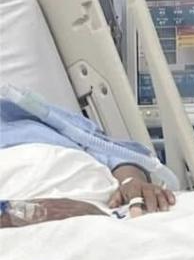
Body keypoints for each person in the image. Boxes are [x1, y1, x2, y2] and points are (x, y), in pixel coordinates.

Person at [1, 84, 175, 224]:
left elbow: (109, 150)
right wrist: (29, 212)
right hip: (32, 220)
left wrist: (131, 182)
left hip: (116, 206)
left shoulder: (26, 110)